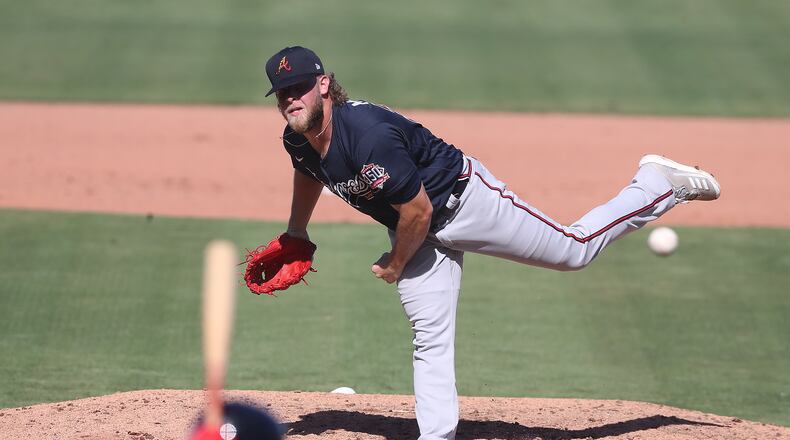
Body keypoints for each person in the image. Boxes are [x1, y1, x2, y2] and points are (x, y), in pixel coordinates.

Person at [263, 46, 720, 440]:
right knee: (429, 334)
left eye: (298, 87)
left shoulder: (368, 135)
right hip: (414, 225)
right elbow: (310, 172)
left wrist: (397, 264)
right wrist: (297, 231)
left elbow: (418, 212)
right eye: (282, 92)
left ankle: (655, 184)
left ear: (323, 85)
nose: (290, 99)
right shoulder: (298, 139)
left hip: (467, 205)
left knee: (572, 250)